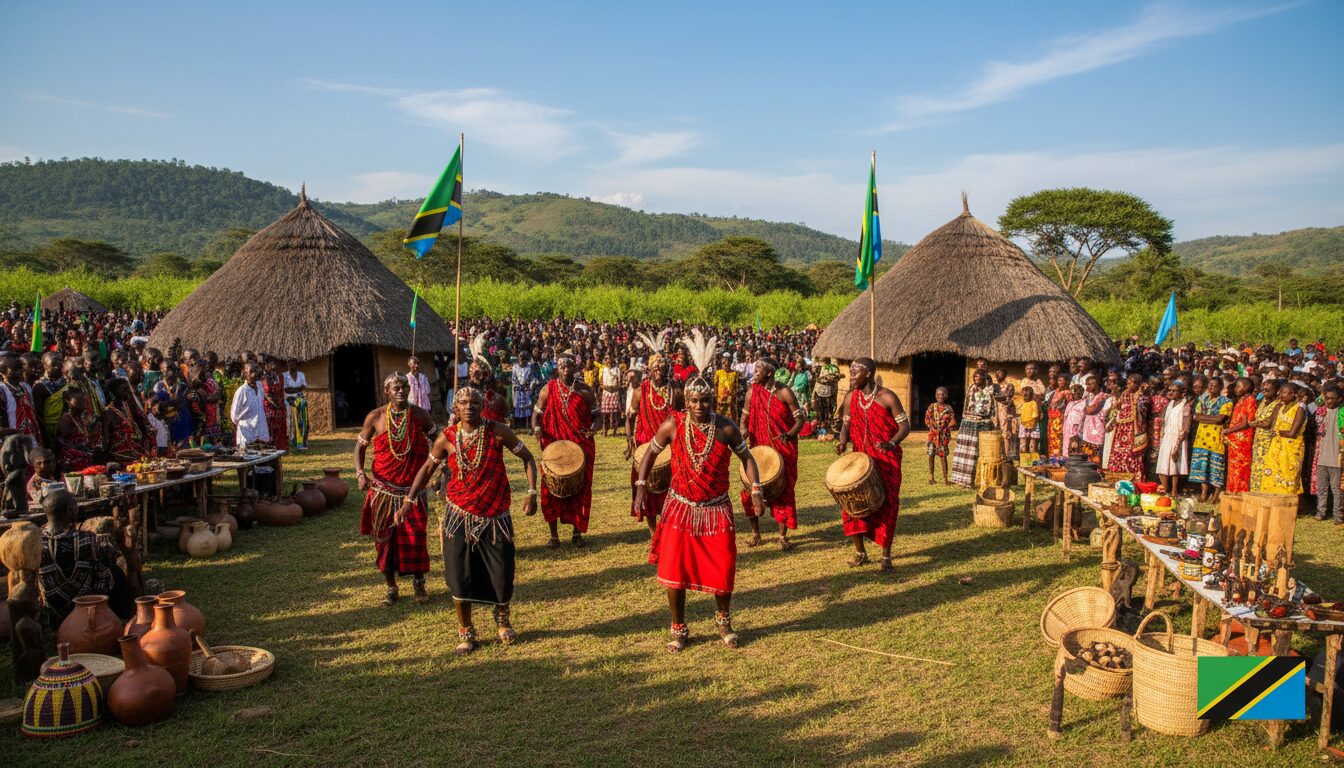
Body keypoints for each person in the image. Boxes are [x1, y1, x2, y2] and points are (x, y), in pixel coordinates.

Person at [635, 333, 763, 652]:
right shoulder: (674, 424)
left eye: (704, 401)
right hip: (680, 507)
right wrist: (640, 487)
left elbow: (748, 458)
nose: (699, 406)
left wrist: (756, 490)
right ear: (686, 401)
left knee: (722, 567)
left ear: (713, 401)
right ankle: (678, 628)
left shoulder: (726, 428)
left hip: (716, 509)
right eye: (693, 401)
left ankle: (724, 622)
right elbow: (649, 452)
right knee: (673, 570)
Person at [398, 387, 538, 652]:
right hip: (458, 516)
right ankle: (466, 632)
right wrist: (408, 500)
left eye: (475, 402)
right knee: (459, 574)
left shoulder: (498, 432)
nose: (469, 407)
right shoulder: (447, 438)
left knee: (501, 572)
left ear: (482, 405)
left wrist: (532, 493)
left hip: (495, 516)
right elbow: (428, 468)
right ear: (456, 408)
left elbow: (528, 458)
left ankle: (503, 621)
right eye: (463, 403)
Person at [356, 372, 436, 606]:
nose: (401, 391)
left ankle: (419, 584)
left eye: (404, 387)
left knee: (416, 538)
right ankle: (391, 587)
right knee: (384, 539)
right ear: (387, 392)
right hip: (382, 490)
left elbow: (438, 440)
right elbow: (359, 449)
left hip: (412, 492)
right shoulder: (376, 417)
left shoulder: (420, 415)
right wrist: (360, 473)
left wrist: (440, 470)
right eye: (396, 388)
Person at [835, 357, 910, 571]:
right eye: (850, 372)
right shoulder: (851, 398)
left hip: (886, 459)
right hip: (860, 460)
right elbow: (846, 425)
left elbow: (905, 426)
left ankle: (886, 556)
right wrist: (842, 441)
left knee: (888, 505)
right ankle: (860, 552)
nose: (851, 376)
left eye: (854, 372)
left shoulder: (887, 397)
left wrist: (891, 443)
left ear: (867, 373)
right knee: (851, 504)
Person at [531, 352, 597, 548]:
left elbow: (597, 416)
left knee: (581, 489)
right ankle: (554, 535)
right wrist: (536, 428)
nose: (565, 370)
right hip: (555, 448)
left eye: (568, 366)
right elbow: (536, 414)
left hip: (580, 447)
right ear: (557, 369)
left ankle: (577, 533)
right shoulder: (548, 389)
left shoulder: (585, 390)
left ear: (574, 369)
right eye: (562, 367)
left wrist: (592, 429)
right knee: (551, 489)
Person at [738, 357, 802, 550]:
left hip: (783, 449)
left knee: (783, 492)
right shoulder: (751, 393)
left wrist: (790, 435)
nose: (754, 371)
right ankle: (755, 534)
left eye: (759, 368)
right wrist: (743, 431)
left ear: (769, 373)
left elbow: (801, 419)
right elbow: (743, 420)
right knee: (749, 491)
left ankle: (782, 537)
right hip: (759, 450)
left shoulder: (784, 392)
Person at [39, 489, 127, 625]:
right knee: (115, 570)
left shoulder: (36, 541)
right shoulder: (87, 539)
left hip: (52, 610)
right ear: (69, 510)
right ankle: (120, 614)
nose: (77, 509)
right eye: (75, 507)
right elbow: (104, 576)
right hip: (87, 606)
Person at [625, 351, 681, 534]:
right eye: (655, 367)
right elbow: (629, 417)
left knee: (673, 488)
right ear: (649, 370)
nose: (658, 370)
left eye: (662, 367)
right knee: (646, 488)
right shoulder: (641, 391)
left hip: (670, 446)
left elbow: (683, 416)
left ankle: (671, 526)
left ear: (667, 370)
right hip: (646, 445)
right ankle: (653, 531)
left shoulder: (675, 390)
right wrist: (629, 441)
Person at [1259, 382, 1306, 495]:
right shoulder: (1281, 407)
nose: (1281, 395)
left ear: (1293, 394)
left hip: (1291, 447)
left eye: (1284, 393)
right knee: (1272, 474)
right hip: (1277, 446)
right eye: (1280, 393)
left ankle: (1287, 504)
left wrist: (1276, 432)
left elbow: (1292, 433)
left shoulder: (1299, 408)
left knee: (1288, 475)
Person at [1189, 377, 1232, 501]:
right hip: (1201, 438)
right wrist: (1212, 418)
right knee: (1202, 466)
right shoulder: (1203, 399)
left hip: (1216, 438)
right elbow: (1196, 416)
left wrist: (1205, 417)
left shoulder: (1226, 401)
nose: (1211, 387)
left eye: (1214, 385)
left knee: (1216, 467)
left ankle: (1216, 493)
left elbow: (1220, 419)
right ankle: (1204, 493)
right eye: (1209, 385)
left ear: (1220, 387)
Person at [950, 369, 995, 487]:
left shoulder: (989, 391)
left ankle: (979, 480)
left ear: (984, 379)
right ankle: (962, 479)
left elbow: (990, 407)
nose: (977, 380)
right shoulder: (971, 389)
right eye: (975, 378)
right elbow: (967, 405)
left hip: (982, 423)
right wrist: (965, 416)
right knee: (965, 451)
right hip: (968, 422)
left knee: (980, 451)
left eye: (979, 378)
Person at [1105, 373, 1148, 481]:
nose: (1128, 384)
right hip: (1121, 428)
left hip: (1134, 429)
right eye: (1128, 382)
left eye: (1131, 382)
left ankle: (1134, 478)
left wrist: (1140, 395)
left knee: (1133, 453)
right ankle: (1118, 475)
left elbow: (1143, 411)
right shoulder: (1124, 393)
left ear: (1138, 384)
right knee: (1119, 452)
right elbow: (1118, 408)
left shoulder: (1142, 396)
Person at [102, 378, 152, 464]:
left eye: (128, 388)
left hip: (135, 450)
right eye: (124, 389)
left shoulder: (127, 407)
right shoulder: (108, 412)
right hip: (119, 455)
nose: (128, 391)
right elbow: (105, 439)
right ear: (113, 392)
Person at [1222, 377, 1258, 494]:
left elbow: (1246, 423)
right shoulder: (1240, 400)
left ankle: (1240, 492)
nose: (1236, 389)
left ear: (1247, 387)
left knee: (1241, 468)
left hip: (1243, 441)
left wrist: (1228, 430)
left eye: (1239, 386)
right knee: (1233, 467)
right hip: (1235, 440)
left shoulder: (1250, 400)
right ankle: (1232, 491)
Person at [1312, 386, 1342, 523]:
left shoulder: (1340, 413)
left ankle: (1338, 515)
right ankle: (1321, 512)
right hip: (1322, 457)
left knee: (1337, 489)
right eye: (1326, 398)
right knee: (1322, 488)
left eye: (1331, 399)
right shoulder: (1321, 413)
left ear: (1340, 399)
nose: (1328, 401)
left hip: (1336, 458)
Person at [1155, 381, 1191, 496]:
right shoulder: (1170, 404)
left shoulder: (1185, 405)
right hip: (1167, 436)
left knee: (1175, 465)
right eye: (1169, 390)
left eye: (1174, 390)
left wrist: (1177, 445)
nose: (1170, 392)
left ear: (1181, 392)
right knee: (1162, 465)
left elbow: (1186, 427)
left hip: (1178, 437)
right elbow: (1164, 422)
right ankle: (1166, 490)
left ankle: (1174, 491)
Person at [55, 389, 100, 472]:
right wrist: (79, 449)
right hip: (72, 458)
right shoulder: (66, 419)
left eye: (83, 400)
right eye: (78, 400)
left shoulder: (80, 418)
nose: (82, 403)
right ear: (67, 401)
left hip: (82, 454)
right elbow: (60, 440)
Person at [0, 355, 41, 444]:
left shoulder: (25, 387)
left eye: (21, 368)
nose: (21, 371)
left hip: (31, 438)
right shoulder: (2, 391)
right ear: (3, 372)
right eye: (16, 369)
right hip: (10, 443)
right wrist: (17, 433)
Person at [1249, 379, 1280, 492]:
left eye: (1268, 389)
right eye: (1263, 389)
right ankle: (1255, 492)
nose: (1265, 390)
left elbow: (1269, 422)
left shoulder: (1278, 404)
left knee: (1267, 467)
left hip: (1269, 440)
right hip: (1258, 440)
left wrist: (1254, 423)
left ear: (1276, 390)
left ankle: (1264, 492)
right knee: (1257, 466)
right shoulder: (1262, 402)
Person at [229, 361, 270, 447]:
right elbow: (234, 416)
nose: (254, 374)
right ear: (245, 374)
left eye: (256, 370)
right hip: (247, 433)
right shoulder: (242, 391)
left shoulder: (260, 386)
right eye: (251, 371)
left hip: (261, 431)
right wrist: (246, 423)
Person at [924, 386, 955, 484]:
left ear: (946, 396)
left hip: (943, 436)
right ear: (935, 395)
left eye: (943, 394)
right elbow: (927, 419)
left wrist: (947, 429)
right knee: (931, 455)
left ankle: (945, 479)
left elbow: (952, 421)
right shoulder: (932, 407)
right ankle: (931, 477)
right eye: (938, 394)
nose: (940, 396)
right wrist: (933, 428)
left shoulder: (948, 408)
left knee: (943, 456)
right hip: (933, 435)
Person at [261, 357, 289, 451]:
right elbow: (267, 393)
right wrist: (277, 405)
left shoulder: (276, 376)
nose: (274, 366)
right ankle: (272, 449)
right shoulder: (263, 377)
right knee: (271, 429)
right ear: (266, 365)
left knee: (280, 429)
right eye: (272, 364)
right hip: (270, 408)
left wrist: (281, 405)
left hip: (279, 407)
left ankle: (281, 448)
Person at [283, 358, 308, 451]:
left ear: (296, 365)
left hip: (299, 402)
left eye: (293, 364)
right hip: (288, 402)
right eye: (289, 364)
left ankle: (300, 442)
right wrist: (298, 389)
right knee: (290, 421)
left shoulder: (301, 374)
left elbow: (303, 386)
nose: (291, 366)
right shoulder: (284, 376)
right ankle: (290, 442)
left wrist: (293, 389)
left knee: (300, 421)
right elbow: (286, 389)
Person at [993, 369, 1018, 461]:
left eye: (1000, 373)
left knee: (1006, 433)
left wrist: (995, 397)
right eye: (997, 373)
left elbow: (1006, 398)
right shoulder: (995, 386)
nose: (998, 375)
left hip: (1005, 412)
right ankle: (998, 453)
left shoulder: (1009, 386)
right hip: (995, 412)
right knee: (997, 432)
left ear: (1005, 375)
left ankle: (1007, 455)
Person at [511, 352, 538, 430]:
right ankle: (518, 424)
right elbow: (513, 378)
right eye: (520, 359)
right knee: (517, 407)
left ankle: (527, 425)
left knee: (527, 407)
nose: (521, 362)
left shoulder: (529, 368)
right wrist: (518, 385)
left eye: (523, 360)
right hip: (518, 391)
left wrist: (529, 385)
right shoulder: (515, 367)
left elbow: (532, 379)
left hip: (526, 390)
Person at [813, 358, 841, 432]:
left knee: (825, 409)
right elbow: (838, 378)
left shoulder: (823, 368)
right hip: (826, 391)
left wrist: (824, 378)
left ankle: (825, 426)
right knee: (826, 409)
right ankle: (825, 426)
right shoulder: (835, 368)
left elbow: (817, 379)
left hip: (824, 391)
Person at [1046, 374, 1069, 459]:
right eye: (1059, 380)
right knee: (1051, 438)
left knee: (1058, 438)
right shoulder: (1055, 392)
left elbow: (1068, 405)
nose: (1061, 382)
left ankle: (1058, 459)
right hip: (1051, 418)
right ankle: (1052, 458)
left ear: (1067, 382)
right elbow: (1049, 403)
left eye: (1063, 380)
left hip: (1059, 418)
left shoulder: (1067, 393)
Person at [599, 353, 623, 436]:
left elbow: (620, 383)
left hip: (615, 392)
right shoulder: (603, 369)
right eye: (606, 359)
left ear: (612, 359)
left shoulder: (617, 369)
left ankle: (614, 431)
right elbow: (601, 383)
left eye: (609, 358)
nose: (607, 360)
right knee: (605, 414)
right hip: (606, 393)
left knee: (616, 413)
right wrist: (606, 388)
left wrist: (615, 388)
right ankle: (605, 430)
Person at [1017, 386, 1040, 465]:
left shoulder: (1033, 403)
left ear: (1031, 395)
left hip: (1033, 424)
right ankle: (1024, 463)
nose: (1025, 397)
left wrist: (1032, 424)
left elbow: (1035, 415)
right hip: (1023, 424)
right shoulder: (1022, 403)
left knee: (1032, 445)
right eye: (1024, 395)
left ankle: (1033, 463)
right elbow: (1019, 412)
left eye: (1027, 395)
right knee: (1022, 445)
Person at [714, 355, 740, 422]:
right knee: (720, 420)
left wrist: (734, 401)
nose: (726, 364)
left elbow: (736, 388)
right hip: (720, 402)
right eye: (723, 362)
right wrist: (716, 398)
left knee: (729, 421)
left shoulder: (734, 374)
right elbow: (715, 386)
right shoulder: (718, 373)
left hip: (730, 403)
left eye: (727, 362)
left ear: (730, 363)